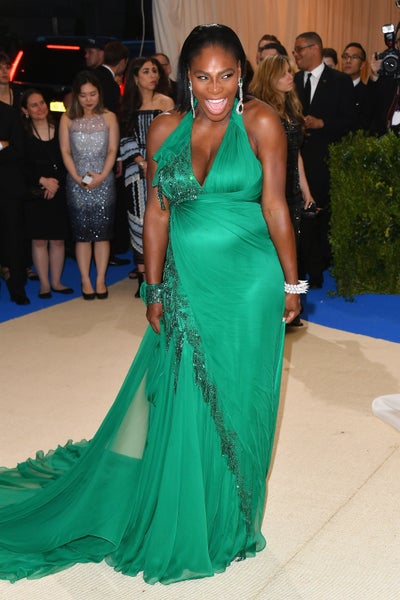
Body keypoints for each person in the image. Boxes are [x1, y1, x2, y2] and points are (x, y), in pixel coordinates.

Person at [0, 24, 302, 585]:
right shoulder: (165, 129)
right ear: (185, 77)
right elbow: (158, 212)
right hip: (188, 283)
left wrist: (291, 283)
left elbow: (275, 205)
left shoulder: (261, 123)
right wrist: (154, 285)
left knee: (243, 395)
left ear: (241, 74)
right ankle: (190, 506)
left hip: (250, 284)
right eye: (203, 77)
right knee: (187, 392)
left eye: (226, 75)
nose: (215, 88)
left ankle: (232, 513)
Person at [249, 54, 314, 325]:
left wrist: (306, 190)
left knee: (291, 247)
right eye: (285, 72)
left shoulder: (290, 108)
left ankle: (290, 303)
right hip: (269, 190)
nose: (291, 76)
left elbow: (296, 154)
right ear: (270, 78)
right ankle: (272, 308)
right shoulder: (260, 113)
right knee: (272, 251)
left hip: (292, 192)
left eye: (290, 71)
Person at [293, 31, 355, 288]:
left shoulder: (339, 81)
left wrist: (322, 123)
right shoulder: (293, 81)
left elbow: (351, 121)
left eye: (299, 49)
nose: (296, 55)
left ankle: (318, 268)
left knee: (318, 215)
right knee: (299, 215)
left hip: (325, 160)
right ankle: (300, 267)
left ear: (315, 48)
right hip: (296, 159)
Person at [59, 71, 119, 300]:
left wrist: (102, 176)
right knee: (82, 235)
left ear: (99, 94)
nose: (88, 99)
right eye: (83, 95)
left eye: (92, 94)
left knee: (103, 234)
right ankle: (85, 280)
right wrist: (77, 177)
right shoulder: (67, 118)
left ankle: (101, 279)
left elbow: (112, 150)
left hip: (104, 181)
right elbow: (65, 151)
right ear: (76, 96)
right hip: (77, 183)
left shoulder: (109, 117)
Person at [119, 56, 174, 295]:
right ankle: (144, 279)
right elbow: (124, 138)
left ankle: (163, 278)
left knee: (164, 219)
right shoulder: (127, 106)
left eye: (154, 71)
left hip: (162, 167)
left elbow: (174, 136)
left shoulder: (166, 102)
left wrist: (155, 161)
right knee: (138, 221)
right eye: (146, 71)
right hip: (135, 173)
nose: (153, 75)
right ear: (135, 77)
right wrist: (140, 160)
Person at [20, 89, 73, 299]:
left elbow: (67, 157)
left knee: (58, 240)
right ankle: (44, 284)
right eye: (34, 105)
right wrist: (42, 181)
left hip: (58, 190)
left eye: (42, 103)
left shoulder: (60, 127)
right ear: (25, 110)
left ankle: (57, 282)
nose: (40, 108)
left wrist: (55, 184)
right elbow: (20, 165)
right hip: (35, 193)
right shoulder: (22, 134)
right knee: (39, 240)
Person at [0, 100, 30, 305]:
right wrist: (2, 144)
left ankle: (17, 285)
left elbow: (19, 149)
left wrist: (6, 146)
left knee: (14, 238)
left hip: (8, 188)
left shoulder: (9, 113)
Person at [368, 22, 400, 137]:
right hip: (383, 141)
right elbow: (367, 112)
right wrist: (374, 76)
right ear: (396, 45)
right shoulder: (388, 71)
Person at [341, 42, 373, 131]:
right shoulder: (332, 88)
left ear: (362, 65)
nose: (348, 60)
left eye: (354, 57)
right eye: (345, 56)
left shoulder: (367, 93)